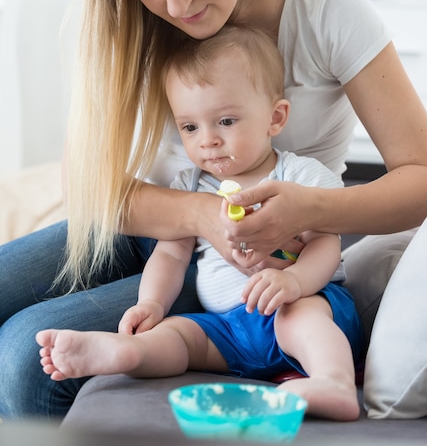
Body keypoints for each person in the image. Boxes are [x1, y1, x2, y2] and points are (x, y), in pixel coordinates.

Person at [1, 0, 426, 420]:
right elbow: (90, 191)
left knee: (26, 353)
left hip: (251, 261)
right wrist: (204, 216)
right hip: (153, 231)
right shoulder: (129, 15)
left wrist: (309, 210)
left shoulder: (325, 3)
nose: (175, 3)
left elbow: (420, 175)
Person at [36, 27, 364, 421]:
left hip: (301, 303)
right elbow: (172, 253)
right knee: (179, 334)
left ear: (275, 118)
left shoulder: (299, 177)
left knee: (300, 316)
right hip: (228, 329)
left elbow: (325, 244)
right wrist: (151, 303)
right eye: (190, 127)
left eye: (225, 121)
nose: (207, 140)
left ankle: (335, 382)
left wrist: (295, 282)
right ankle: (124, 352)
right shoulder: (190, 186)